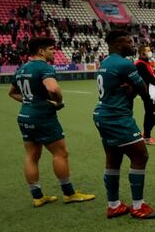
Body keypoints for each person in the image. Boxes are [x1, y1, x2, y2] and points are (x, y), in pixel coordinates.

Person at [9, 37, 95, 207]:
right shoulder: (43, 67)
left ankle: (37, 196)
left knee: (31, 156)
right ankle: (69, 193)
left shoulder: (21, 69)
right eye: (51, 49)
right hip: (42, 117)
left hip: (25, 116)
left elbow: (12, 92)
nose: (53, 52)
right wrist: (59, 102)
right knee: (60, 153)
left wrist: (30, 101)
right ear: (41, 51)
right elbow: (53, 88)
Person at [94, 30, 155, 219]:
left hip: (103, 114)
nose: (132, 45)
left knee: (113, 159)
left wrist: (130, 90)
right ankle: (138, 206)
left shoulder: (105, 63)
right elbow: (142, 89)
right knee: (141, 155)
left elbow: (120, 89)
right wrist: (138, 93)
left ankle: (114, 204)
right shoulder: (124, 63)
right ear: (117, 44)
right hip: (117, 117)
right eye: (128, 42)